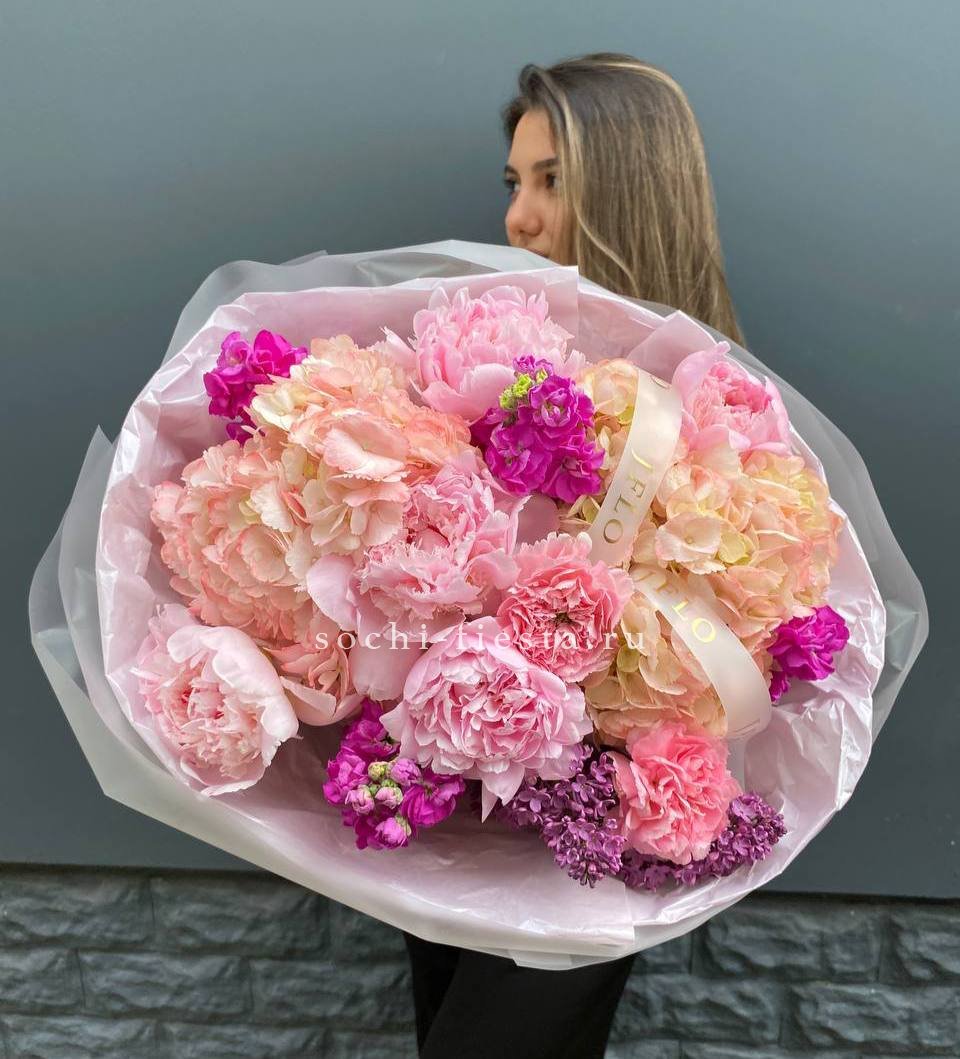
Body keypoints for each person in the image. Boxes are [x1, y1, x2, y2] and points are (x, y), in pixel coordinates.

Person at [402, 51, 744, 1059]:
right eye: (514, 182)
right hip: (461, 811)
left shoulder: (723, 419)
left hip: (596, 832)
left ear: (631, 189)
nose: (519, 217)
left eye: (551, 180)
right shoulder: (504, 378)